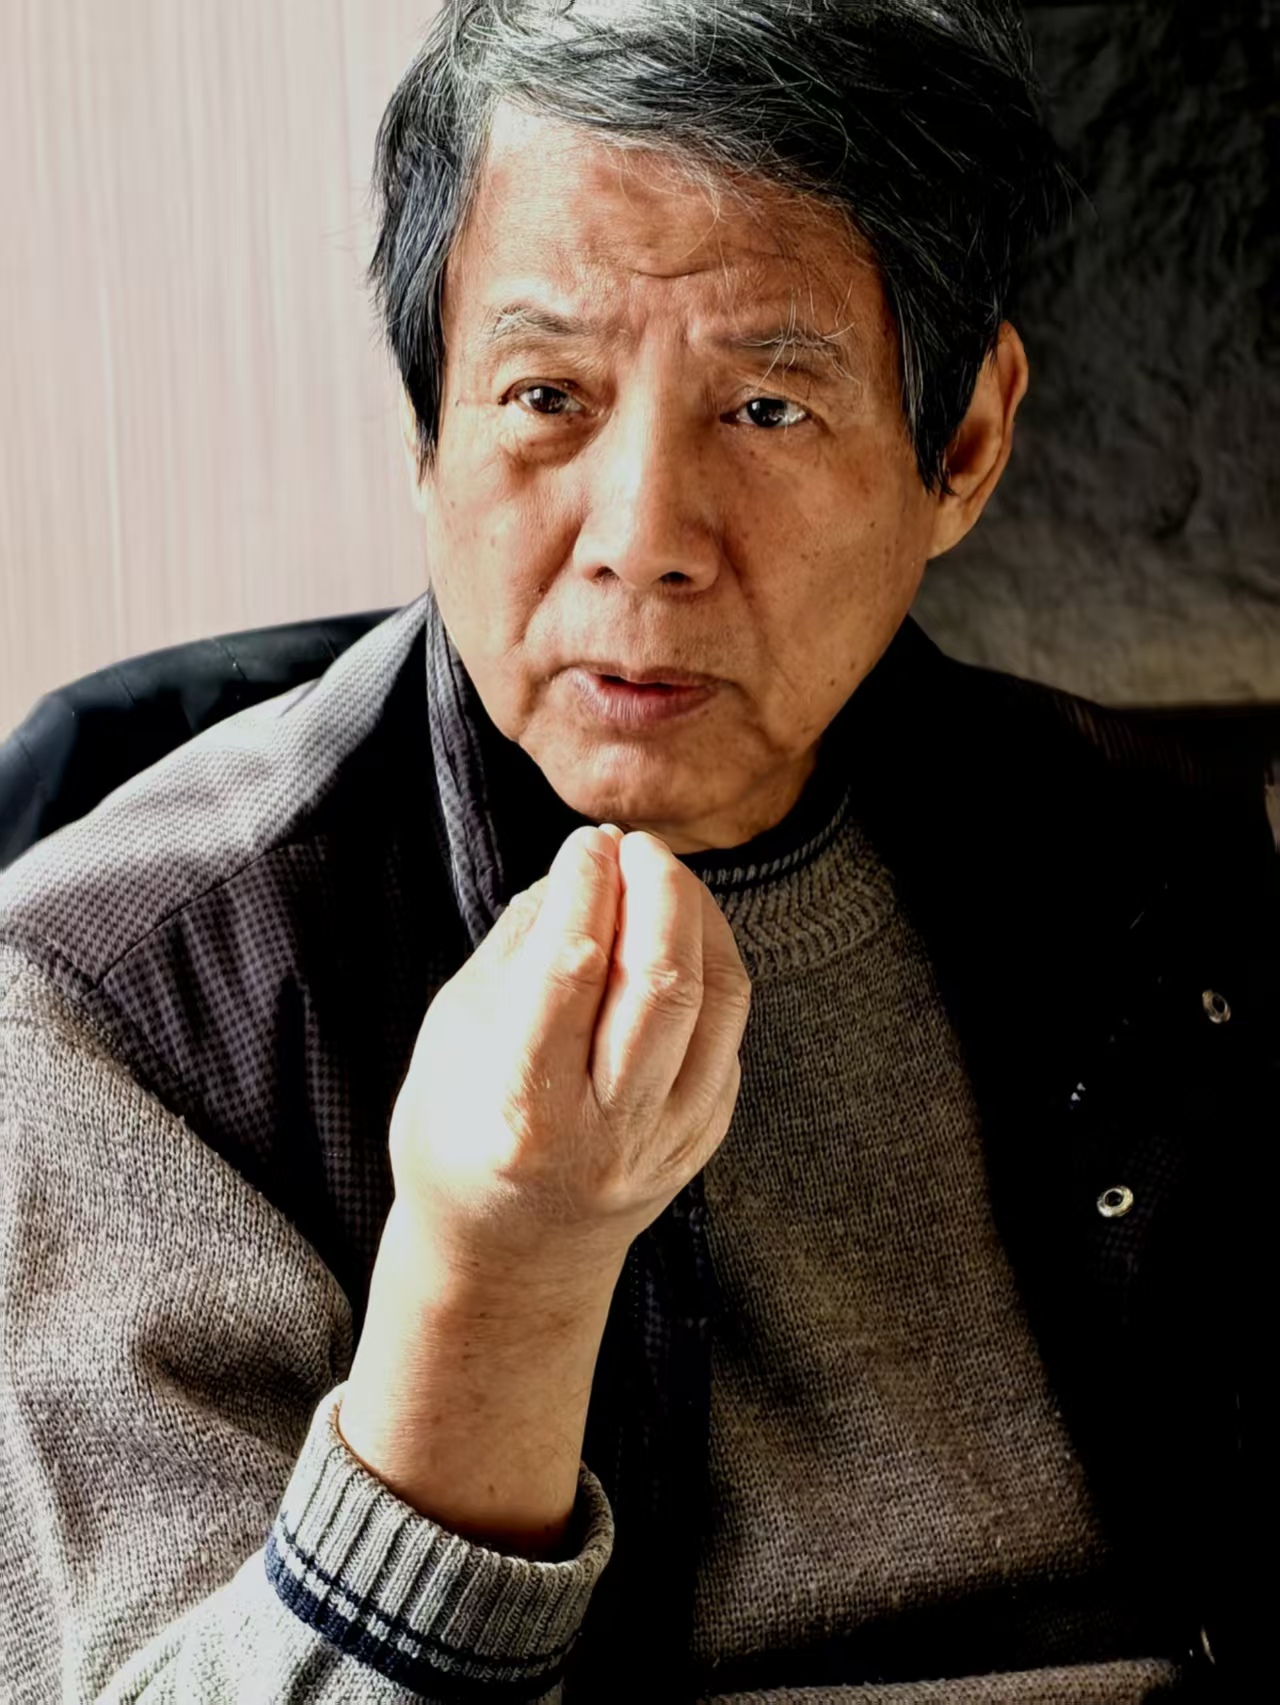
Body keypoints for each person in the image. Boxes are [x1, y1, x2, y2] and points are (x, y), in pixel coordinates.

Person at [0, 2, 1272, 1700]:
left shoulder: (1163, 868)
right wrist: (499, 1276)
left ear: (962, 444)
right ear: (426, 429)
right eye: (547, 395)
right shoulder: (122, 994)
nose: (644, 539)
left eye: (767, 406)